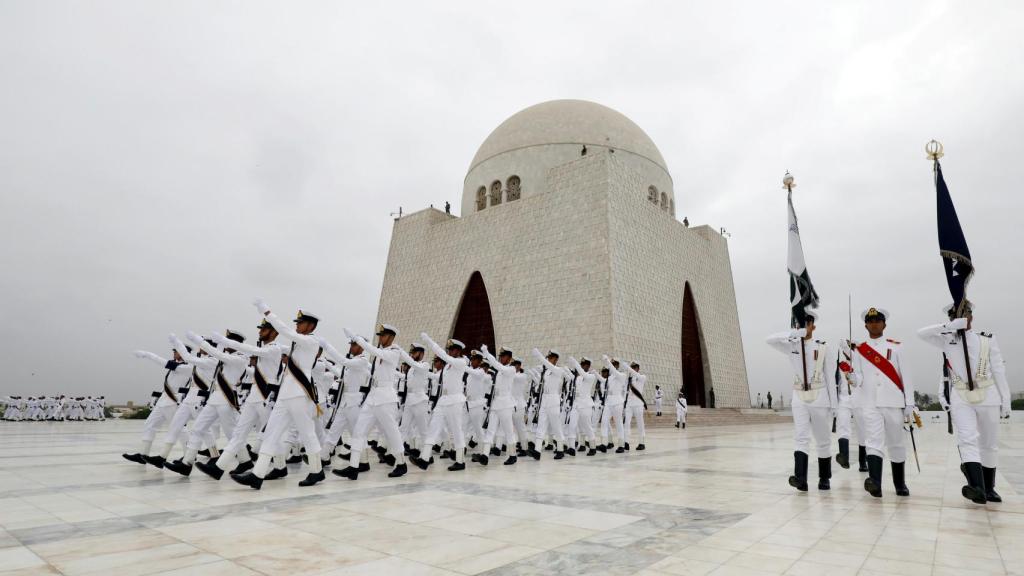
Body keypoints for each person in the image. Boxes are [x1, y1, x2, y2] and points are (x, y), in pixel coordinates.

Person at [917, 303, 1010, 503]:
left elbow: (999, 370)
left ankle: (989, 487)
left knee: (989, 444)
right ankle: (976, 487)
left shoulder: (987, 339)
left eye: (965, 314)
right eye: (955, 315)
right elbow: (921, 333)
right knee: (967, 439)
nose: (962, 318)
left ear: (971, 317)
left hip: (988, 394)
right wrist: (949, 326)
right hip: (961, 395)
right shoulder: (946, 340)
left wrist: (1006, 399)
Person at [232, 301, 326, 489]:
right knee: (271, 433)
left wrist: (268, 313)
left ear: (311, 326)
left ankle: (317, 471)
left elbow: (286, 332)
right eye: (297, 323)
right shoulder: (298, 343)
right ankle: (257, 475)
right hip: (286, 394)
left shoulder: (311, 341)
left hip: (299, 394)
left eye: (300, 323)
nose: (297, 326)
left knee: (307, 433)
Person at [844, 307, 915, 498]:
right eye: (870, 321)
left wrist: (910, 403)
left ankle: (900, 484)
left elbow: (906, 376)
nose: (874, 324)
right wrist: (851, 377)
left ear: (884, 324)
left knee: (896, 444)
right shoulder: (859, 350)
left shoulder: (896, 347)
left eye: (878, 321)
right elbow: (858, 379)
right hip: (870, 403)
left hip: (893, 402)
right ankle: (875, 482)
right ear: (866, 325)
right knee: (873, 442)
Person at [322, 324, 408, 480]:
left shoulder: (394, 352)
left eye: (382, 335)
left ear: (390, 337)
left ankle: (401, 463)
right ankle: (354, 467)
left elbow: (374, 351)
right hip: (372, 397)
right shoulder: (379, 354)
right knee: (359, 432)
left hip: (386, 398)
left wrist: (357, 339)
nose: (380, 338)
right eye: (380, 335)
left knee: (391, 431)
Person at [766, 310, 838, 491]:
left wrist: (834, 405)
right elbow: (770, 340)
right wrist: (792, 334)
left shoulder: (823, 347)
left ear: (813, 325)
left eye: (807, 322)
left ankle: (824, 478)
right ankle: (801, 479)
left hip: (820, 396)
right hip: (799, 397)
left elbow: (831, 377)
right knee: (801, 437)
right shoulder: (792, 346)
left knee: (823, 440)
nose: (804, 326)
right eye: (800, 323)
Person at [122, 347, 192, 464]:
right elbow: (168, 384)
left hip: (173, 401)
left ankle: (189, 456)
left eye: (176, 351)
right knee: (149, 424)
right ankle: (143, 454)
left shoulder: (186, 367)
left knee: (179, 429)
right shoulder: (176, 365)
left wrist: (147, 354)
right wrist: (156, 398)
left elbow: (162, 362)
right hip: (163, 401)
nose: (174, 353)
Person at [412, 334, 470, 471]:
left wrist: (430, 342)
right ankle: (424, 459)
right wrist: (422, 371)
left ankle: (460, 461)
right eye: (449, 349)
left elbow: (444, 356)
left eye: (452, 349)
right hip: (443, 401)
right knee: (433, 428)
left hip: (455, 401)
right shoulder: (448, 366)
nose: (450, 351)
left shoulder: (461, 362)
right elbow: (435, 376)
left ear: (458, 351)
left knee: (456, 431)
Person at [529, 348, 571, 459]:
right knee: (541, 426)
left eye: (551, 358)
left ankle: (560, 449)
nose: (549, 360)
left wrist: (540, 357)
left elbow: (548, 365)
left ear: (556, 359)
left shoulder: (559, 370)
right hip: (544, 400)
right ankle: (537, 451)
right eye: (548, 358)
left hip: (553, 401)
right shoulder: (546, 372)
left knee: (556, 426)